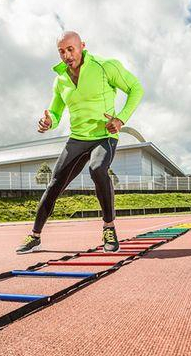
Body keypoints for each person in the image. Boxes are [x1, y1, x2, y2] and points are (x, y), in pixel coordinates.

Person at [16, 31, 144, 254]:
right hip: (77, 138)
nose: (66, 55)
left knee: (97, 169)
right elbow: (55, 112)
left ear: (82, 46)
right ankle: (35, 236)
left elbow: (136, 89)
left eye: (70, 49)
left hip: (104, 135)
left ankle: (109, 228)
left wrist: (121, 119)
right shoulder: (60, 80)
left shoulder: (105, 67)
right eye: (61, 51)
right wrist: (49, 120)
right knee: (54, 184)